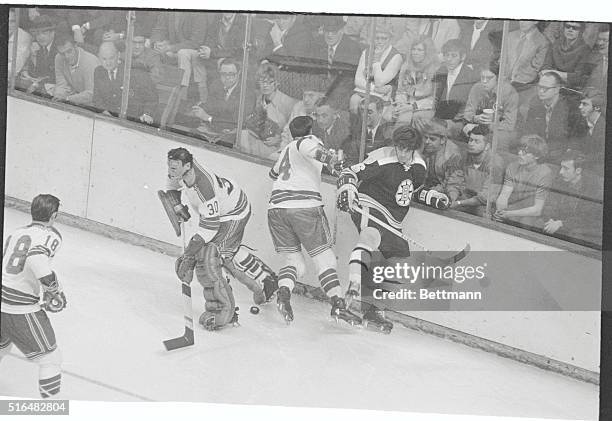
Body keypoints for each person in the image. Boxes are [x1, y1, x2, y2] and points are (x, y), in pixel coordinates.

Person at [165, 148, 278, 331]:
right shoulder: (180, 172)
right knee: (225, 253)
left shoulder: (204, 187)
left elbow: (210, 227)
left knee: (212, 258)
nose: (171, 171)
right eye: (169, 166)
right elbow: (171, 188)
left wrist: (189, 254)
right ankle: (265, 280)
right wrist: (177, 206)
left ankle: (226, 311)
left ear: (188, 166)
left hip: (233, 213)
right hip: (221, 212)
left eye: (175, 167)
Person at [267, 116, 360, 325]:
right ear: (312, 129)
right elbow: (317, 153)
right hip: (304, 208)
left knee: (295, 263)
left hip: (276, 209)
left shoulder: (287, 149)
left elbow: (273, 174)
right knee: (324, 260)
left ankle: (284, 292)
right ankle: (338, 304)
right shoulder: (308, 141)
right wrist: (338, 164)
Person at [336, 125, 427, 333]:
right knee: (370, 238)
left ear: (414, 149)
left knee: (399, 261)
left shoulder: (420, 166)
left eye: (407, 149)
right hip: (370, 206)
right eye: (399, 148)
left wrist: (434, 197)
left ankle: (374, 310)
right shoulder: (383, 159)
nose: (402, 153)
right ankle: (353, 289)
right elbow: (350, 172)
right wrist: (348, 188)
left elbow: (414, 191)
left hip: (393, 219)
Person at [1, 194, 66, 398]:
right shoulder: (51, 235)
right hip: (18, 306)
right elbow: (37, 259)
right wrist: (53, 290)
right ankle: (50, 413)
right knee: (50, 359)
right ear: (53, 215)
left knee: (1, 348)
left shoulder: (16, 232)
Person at [541, 149, 603, 246]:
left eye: (566, 168)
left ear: (578, 170)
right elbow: (549, 204)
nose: (561, 172)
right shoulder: (559, 181)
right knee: (539, 224)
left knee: (575, 234)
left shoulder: (593, 188)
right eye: (561, 167)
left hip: (578, 226)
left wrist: (561, 224)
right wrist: (550, 220)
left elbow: (585, 217)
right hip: (556, 221)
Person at [191, 57, 255, 144]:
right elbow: (210, 107)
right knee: (191, 134)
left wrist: (208, 118)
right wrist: (199, 109)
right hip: (213, 128)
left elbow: (234, 122)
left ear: (239, 73)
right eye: (223, 74)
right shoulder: (216, 85)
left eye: (231, 74)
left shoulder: (247, 93)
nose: (227, 77)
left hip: (232, 133)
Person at [494, 134, 553, 228]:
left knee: (525, 222)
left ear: (537, 156)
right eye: (520, 150)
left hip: (535, 213)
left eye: (525, 152)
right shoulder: (512, 167)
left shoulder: (545, 173)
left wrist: (508, 214)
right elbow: (504, 196)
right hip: (516, 207)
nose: (520, 153)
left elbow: (537, 210)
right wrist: (500, 212)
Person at [93, 42, 158, 124]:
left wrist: (147, 114)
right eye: (104, 59)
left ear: (118, 55)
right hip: (109, 121)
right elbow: (97, 99)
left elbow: (152, 99)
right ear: (98, 57)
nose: (108, 62)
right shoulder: (98, 72)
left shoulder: (134, 72)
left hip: (134, 122)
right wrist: (105, 113)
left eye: (111, 58)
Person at [446, 125, 505, 216]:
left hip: (483, 207)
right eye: (470, 140)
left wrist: (459, 203)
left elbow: (486, 198)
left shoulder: (496, 164)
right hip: (464, 200)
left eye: (476, 141)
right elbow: (454, 182)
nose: (471, 144)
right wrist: (452, 198)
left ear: (487, 146)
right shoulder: (465, 157)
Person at [350, 24, 403, 113]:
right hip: (368, 92)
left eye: (384, 38)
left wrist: (377, 60)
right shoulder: (366, 52)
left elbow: (380, 81)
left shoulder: (396, 56)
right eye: (377, 38)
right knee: (354, 100)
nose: (379, 41)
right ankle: (356, 126)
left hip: (384, 96)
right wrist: (374, 88)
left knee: (372, 108)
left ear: (390, 39)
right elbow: (357, 80)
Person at [391, 36, 440, 127]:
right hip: (406, 104)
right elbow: (401, 91)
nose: (415, 53)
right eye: (413, 49)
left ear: (427, 52)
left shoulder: (435, 70)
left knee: (405, 118)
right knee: (390, 114)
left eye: (419, 50)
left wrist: (412, 106)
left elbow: (434, 99)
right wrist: (400, 105)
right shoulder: (406, 66)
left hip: (426, 107)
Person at [52, 32, 100, 105]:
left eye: (69, 51)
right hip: (74, 99)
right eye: (62, 53)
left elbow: (91, 94)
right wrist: (58, 96)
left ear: (76, 46)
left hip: (94, 104)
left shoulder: (90, 62)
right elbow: (61, 84)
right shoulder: (58, 58)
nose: (66, 56)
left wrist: (67, 99)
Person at [20, 15, 58, 96]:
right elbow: (37, 73)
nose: (40, 37)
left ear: (52, 33)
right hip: (43, 86)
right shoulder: (39, 48)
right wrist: (33, 58)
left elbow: (54, 76)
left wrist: (36, 84)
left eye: (44, 33)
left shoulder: (59, 48)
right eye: (37, 34)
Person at [420, 118, 462, 191]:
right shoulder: (423, 145)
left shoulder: (453, 155)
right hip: (427, 185)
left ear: (443, 140)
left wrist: (431, 190)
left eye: (432, 139)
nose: (427, 141)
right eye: (426, 137)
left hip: (443, 189)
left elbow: (452, 184)